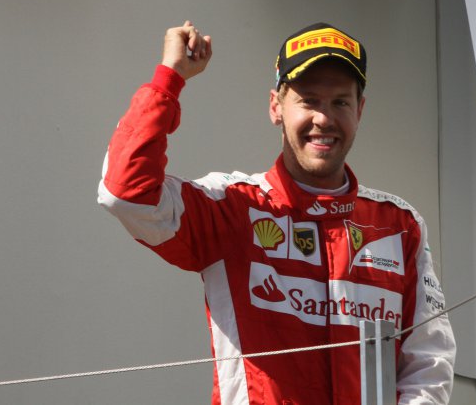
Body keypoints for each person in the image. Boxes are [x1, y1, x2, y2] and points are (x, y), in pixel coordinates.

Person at [97, 21, 456, 404]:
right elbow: (126, 194)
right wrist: (170, 78)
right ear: (276, 107)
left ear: (360, 110)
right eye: (309, 101)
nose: (324, 119)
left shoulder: (399, 225)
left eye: (340, 102)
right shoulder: (233, 206)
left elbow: (428, 363)